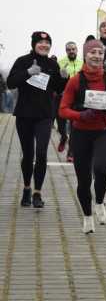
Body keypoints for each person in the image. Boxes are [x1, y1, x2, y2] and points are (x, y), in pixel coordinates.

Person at [59, 39, 106, 234]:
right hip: (81, 133)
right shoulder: (75, 80)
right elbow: (62, 110)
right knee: (84, 180)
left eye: (100, 53)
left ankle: (100, 202)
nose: (96, 56)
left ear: (104, 56)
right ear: (85, 55)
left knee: (102, 168)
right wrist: (80, 115)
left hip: (104, 131)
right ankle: (87, 216)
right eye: (92, 52)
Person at [7, 31, 67, 208]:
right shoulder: (22, 61)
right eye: (40, 42)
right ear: (34, 44)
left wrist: (64, 79)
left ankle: (37, 193)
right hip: (24, 115)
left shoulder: (52, 64)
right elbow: (11, 82)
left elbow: (58, 88)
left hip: (44, 116)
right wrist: (28, 72)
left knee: (41, 154)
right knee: (28, 154)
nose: (44, 45)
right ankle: (26, 188)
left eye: (47, 43)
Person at [57, 42, 83, 161]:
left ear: (77, 50)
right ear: (66, 51)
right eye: (69, 50)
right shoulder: (61, 62)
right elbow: (55, 79)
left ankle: (71, 153)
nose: (71, 51)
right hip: (62, 96)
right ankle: (63, 136)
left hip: (76, 98)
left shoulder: (82, 63)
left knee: (74, 126)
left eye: (73, 49)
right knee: (61, 124)